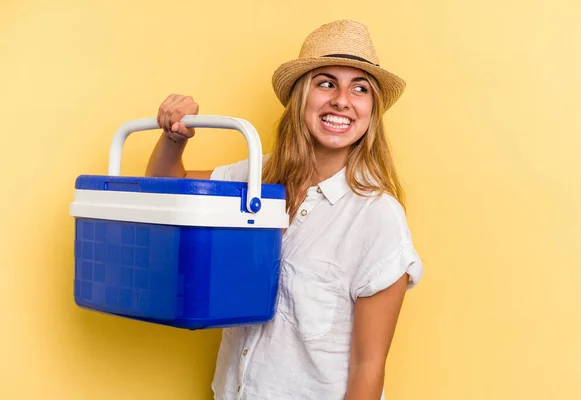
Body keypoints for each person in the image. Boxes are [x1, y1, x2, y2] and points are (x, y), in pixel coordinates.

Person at [146, 19, 423, 400]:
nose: (342, 99)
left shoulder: (376, 217)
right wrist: (174, 137)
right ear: (300, 97)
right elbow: (166, 193)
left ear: (371, 111)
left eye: (359, 88)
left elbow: (368, 367)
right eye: (326, 83)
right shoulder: (255, 175)